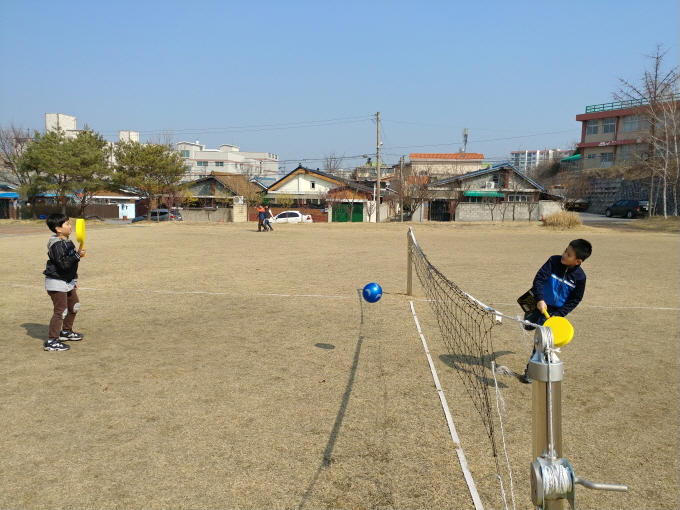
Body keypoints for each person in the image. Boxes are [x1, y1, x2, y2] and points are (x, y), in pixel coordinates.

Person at [520, 238, 592, 383]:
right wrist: (540, 299)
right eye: (565, 250)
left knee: (542, 342)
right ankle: (530, 319)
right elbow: (539, 279)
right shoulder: (553, 261)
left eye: (569, 255)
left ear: (578, 261)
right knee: (527, 325)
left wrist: (558, 314)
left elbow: (575, 300)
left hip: (554, 312)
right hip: (538, 301)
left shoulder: (580, 278)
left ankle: (531, 371)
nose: (564, 255)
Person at [43, 213, 86, 351]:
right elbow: (64, 264)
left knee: (74, 306)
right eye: (67, 224)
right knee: (60, 311)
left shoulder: (68, 242)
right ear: (58, 229)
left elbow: (72, 265)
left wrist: (74, 279)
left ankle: (66, 332)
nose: (70, 226)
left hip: (67, 280)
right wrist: (78, 255)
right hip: (56, 281)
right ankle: (52, 341)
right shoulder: (57, 245)